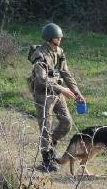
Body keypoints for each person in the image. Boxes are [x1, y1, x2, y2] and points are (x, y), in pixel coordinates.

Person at [27, 23, 85, 172]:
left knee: (67, 123)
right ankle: (47, 160)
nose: (59, 41)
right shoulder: (39, 55)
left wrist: (77, 93)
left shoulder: (59, 52)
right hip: (43, 93)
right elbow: (42, 79)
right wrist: (63, 89)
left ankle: (50, 145)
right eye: (57, 38)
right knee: (46, 126)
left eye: (60, 38)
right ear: (49, 39)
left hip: (58, 92)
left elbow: (66, 73)